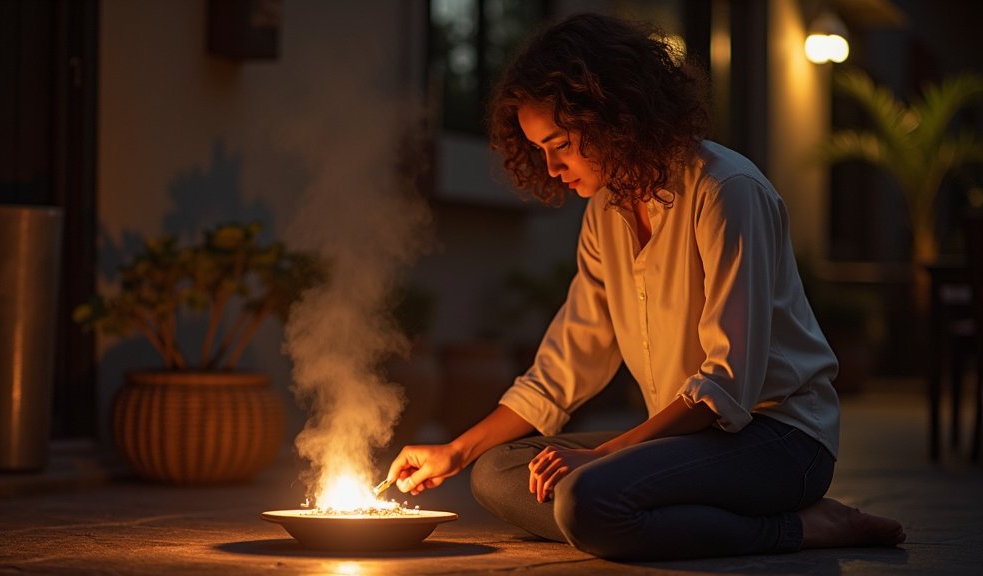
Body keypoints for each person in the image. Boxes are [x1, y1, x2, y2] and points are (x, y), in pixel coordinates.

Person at [386, 12, 905, 560]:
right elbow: (563, 369)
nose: (551, 164)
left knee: (588, 499)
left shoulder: (727, 192)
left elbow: (728, 385)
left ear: (613, 115)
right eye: (539, 149)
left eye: (559, 142)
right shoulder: (605, 215)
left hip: (777, 440)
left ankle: (804, 527)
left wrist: (607, 456)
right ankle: (654, 514)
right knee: (495, 471)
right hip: (682, 443)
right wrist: (455, 450)